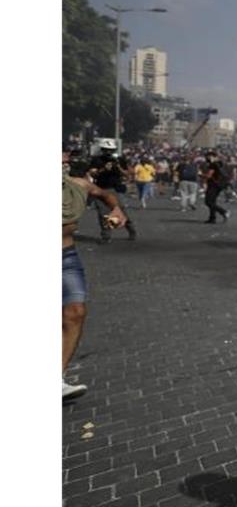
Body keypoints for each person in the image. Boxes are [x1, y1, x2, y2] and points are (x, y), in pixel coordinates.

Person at [63, 149, 127, 399]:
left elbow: (105, 194)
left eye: (65, 160)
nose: (65, 163)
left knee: (75, 312)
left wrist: (117, 211)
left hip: (65, 257)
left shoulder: (77, 185)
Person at [90, 152, 137, 242]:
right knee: (103, 214)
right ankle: (106, 236)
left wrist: (118, 166)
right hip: (100, 189)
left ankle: (131, 230)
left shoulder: (119, 160)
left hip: (114, 189)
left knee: (121, 212)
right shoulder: (97, 160)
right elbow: (93, 174)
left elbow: (128, 173)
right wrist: (103, 169)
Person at [202, 150, 230, 224]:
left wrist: (201, 175)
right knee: (213, 201)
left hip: (213, 185)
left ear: (212, 157)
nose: (206, 159)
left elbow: (209, 175)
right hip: (220, 185)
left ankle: (223, 211)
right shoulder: (221, 164)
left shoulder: (213, 164)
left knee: (208, 202)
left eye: (207, 157)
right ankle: (212, 218)